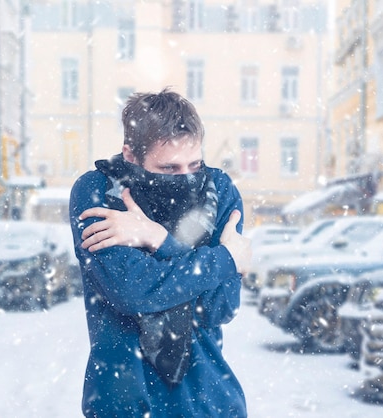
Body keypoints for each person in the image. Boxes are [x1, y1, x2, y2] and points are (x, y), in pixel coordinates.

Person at [69, 88, 251, 417]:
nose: (186, 178)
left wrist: (157, 238)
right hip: (126, 403)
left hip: (210, 402)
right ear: (131, 156)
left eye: (194, 164)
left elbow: (219, 306)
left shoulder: (219, 190)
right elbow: (132, 290)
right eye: (169, 169)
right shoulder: (99, 191)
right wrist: (224, 261)